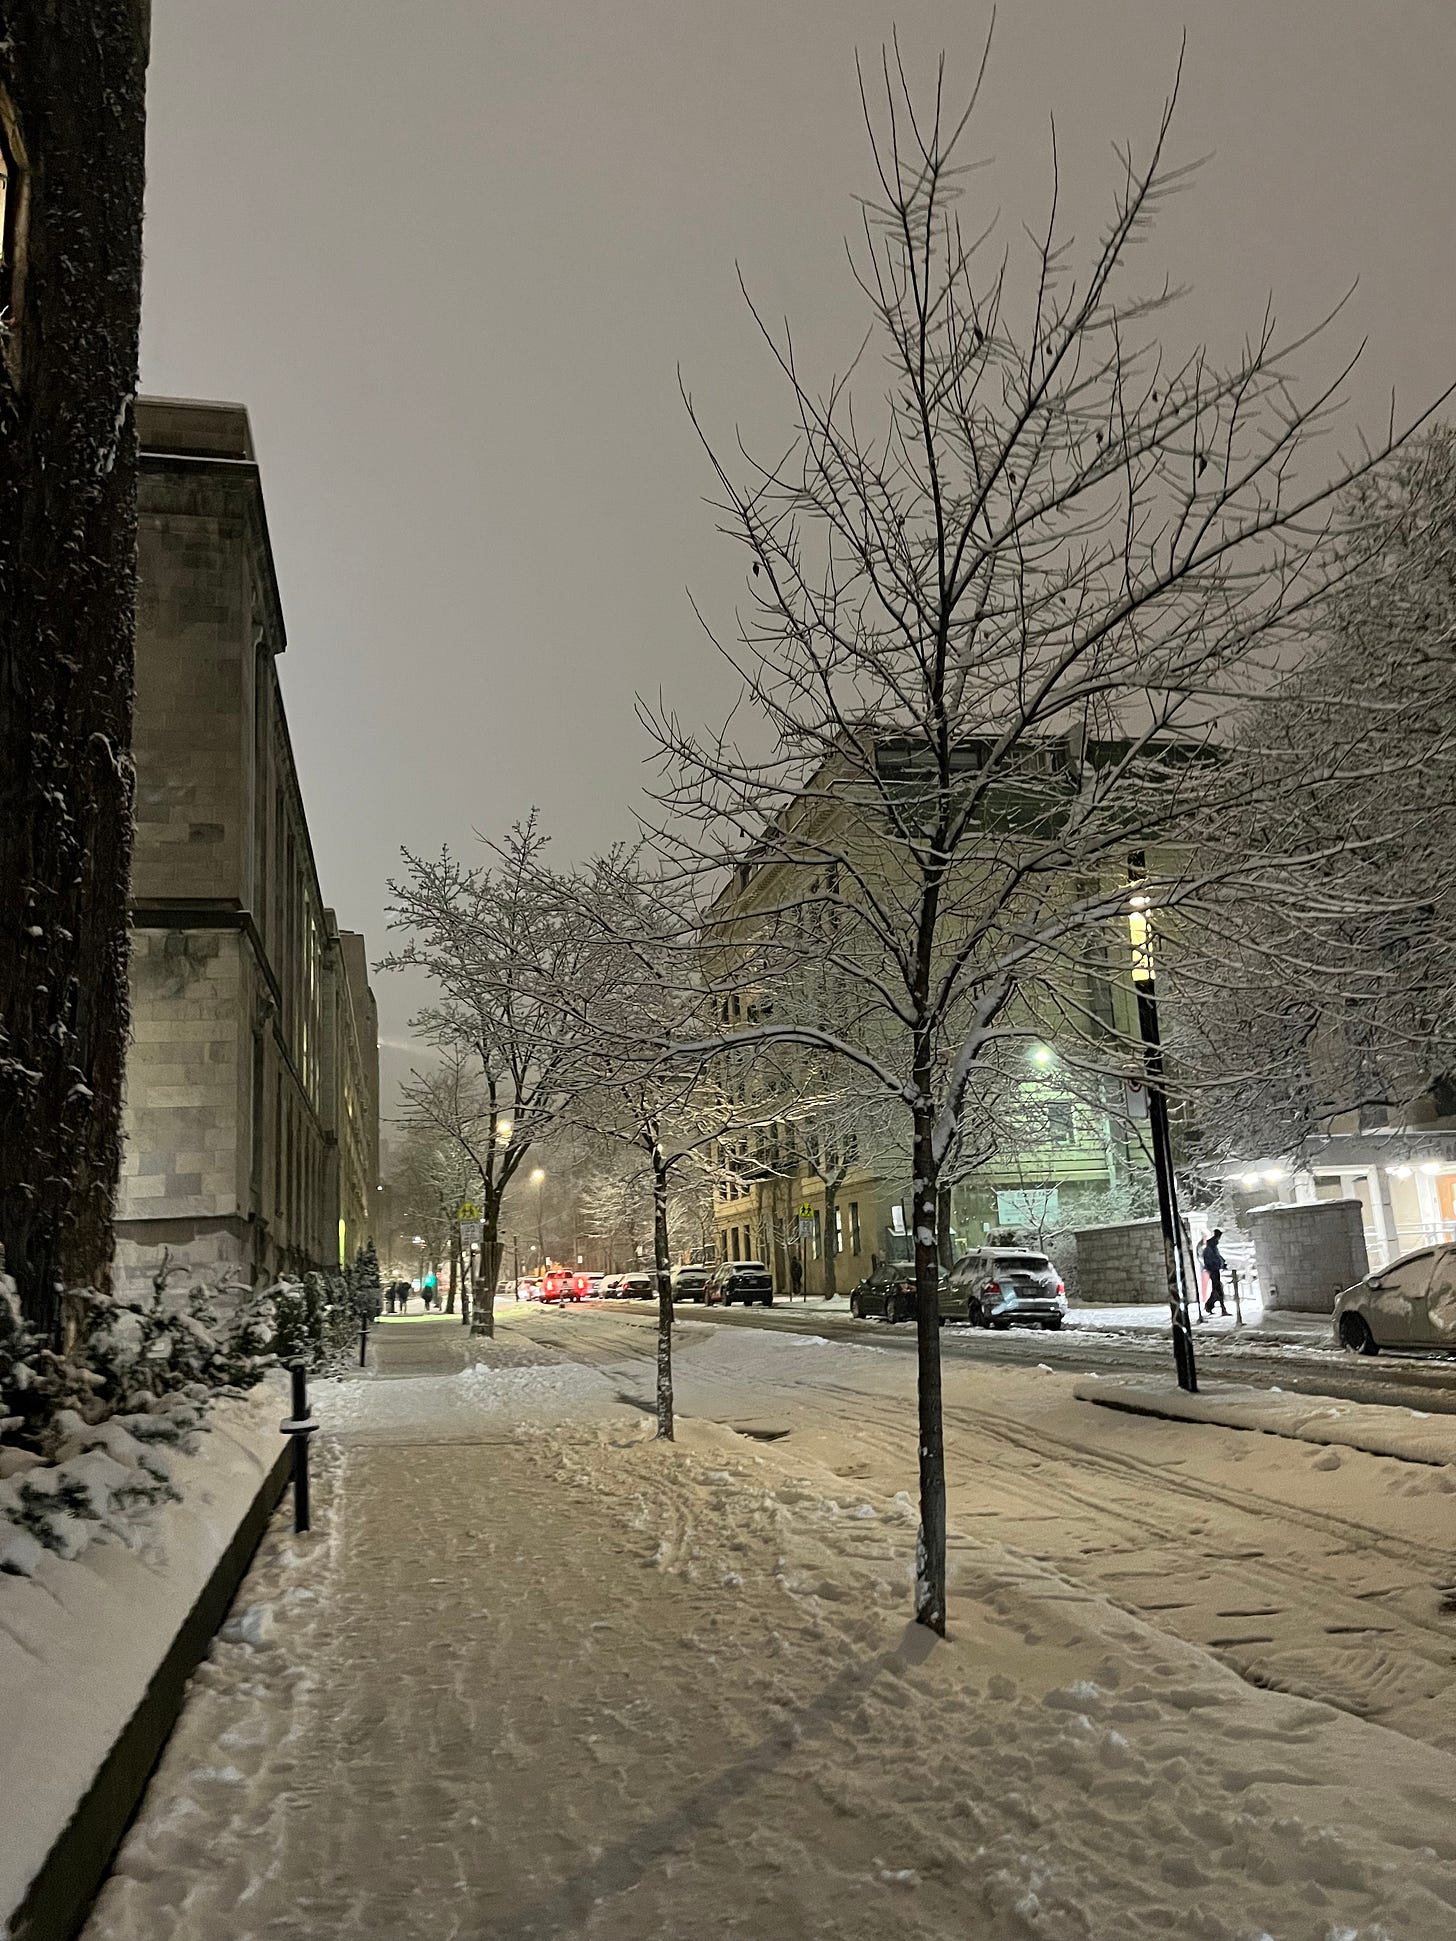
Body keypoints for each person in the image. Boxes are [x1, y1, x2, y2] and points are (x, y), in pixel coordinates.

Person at [1201, 1230, 1229, 1316]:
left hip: (1214, 1270)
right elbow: (1213, 1259)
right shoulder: (1211, 1246)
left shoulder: (1212, 1246)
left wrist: (1222, 1263)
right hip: (1213, 1270)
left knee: (1216, 1289)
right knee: (1218, 1289)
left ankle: (1209, 1306)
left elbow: (1217, 1257)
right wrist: (1219, 1264)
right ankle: (1221, 1308)